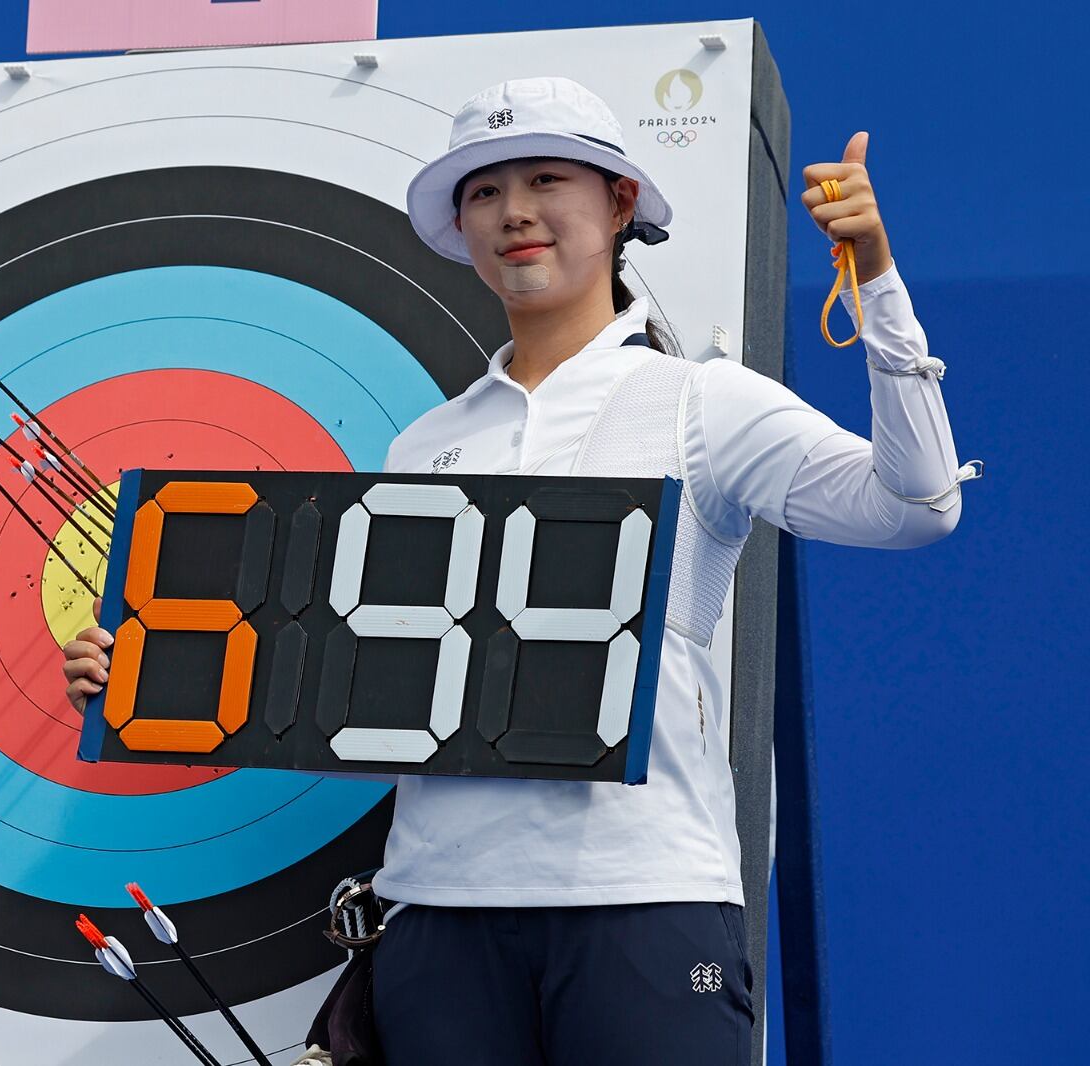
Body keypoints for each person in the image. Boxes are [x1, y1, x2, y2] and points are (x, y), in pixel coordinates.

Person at [63, 77, 975, 1065]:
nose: (516, 212)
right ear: (461, 225)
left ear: (620, 203)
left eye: (546, 178)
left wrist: (874, 280)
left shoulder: (702, 402)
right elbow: (362, 685)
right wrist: (152, 667)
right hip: (437, 918)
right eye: (485, 191)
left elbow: (917, 505)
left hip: (647, 907)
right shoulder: (424, 442)